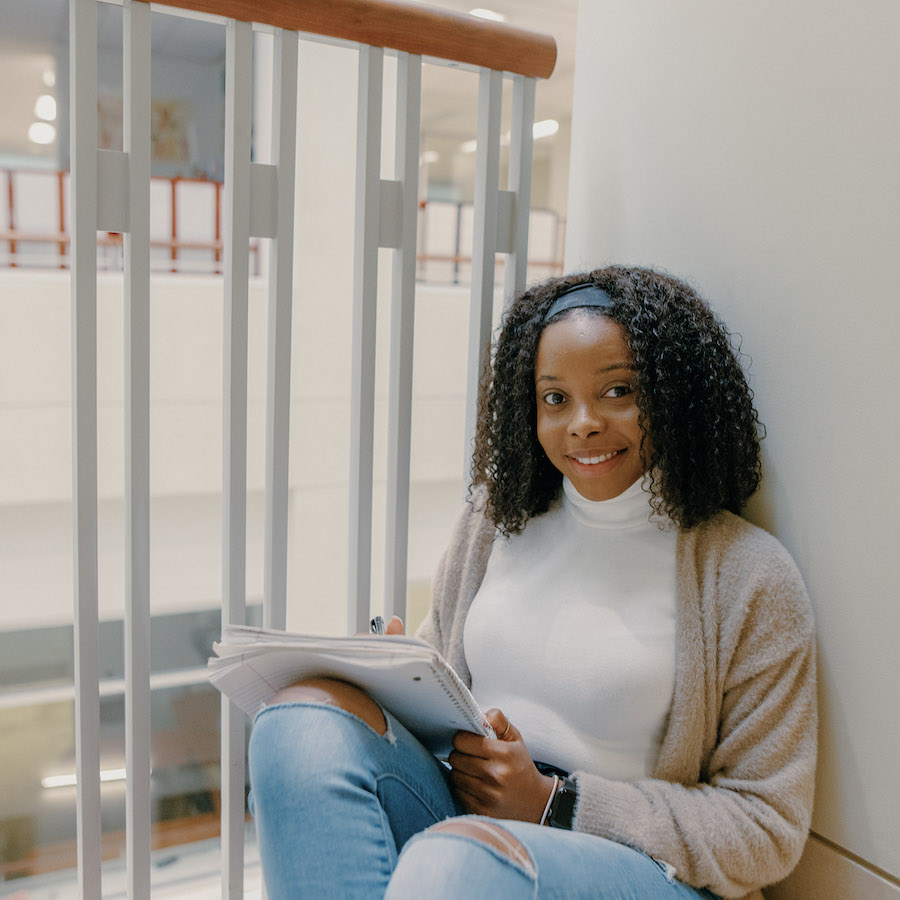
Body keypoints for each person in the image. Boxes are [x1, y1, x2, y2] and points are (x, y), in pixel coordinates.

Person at [248, 266, 817, 900]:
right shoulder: (494, 522)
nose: (582, 423)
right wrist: (394, 676)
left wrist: (555, 803)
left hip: (637, 872)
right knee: (298, 720)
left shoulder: (746, 575)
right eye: (555, 398)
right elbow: (451, 703)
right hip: (470, 835)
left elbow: (768, 826)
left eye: (618, 391)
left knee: (457, 862)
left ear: (675, 395)